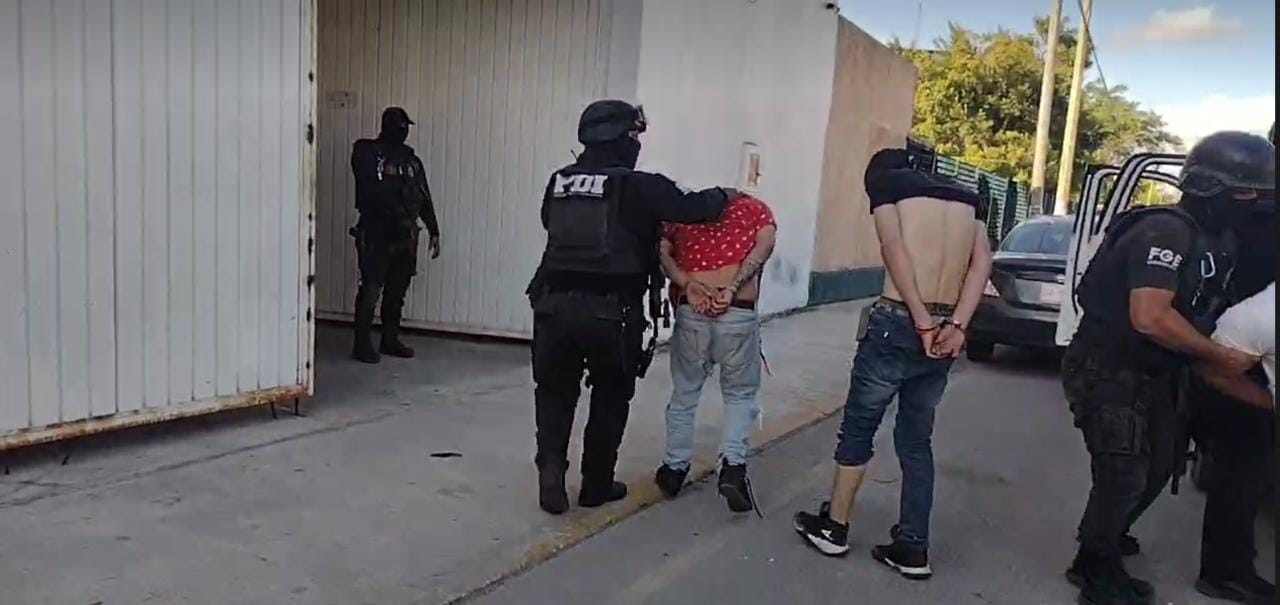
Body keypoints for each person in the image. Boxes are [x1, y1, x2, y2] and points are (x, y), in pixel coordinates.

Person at [1059, 131, 1272, 605]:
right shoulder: (1164, 230)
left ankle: (1107, 533)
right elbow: (1149, 317)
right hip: (1109, 367)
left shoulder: (1216, 237)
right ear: (1213, 189)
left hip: (1157, 371)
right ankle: (1093, 568)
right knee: (1123, 473)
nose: (1255, 203)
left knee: (1159, 465)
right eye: (1247, 193)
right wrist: (1219, 356)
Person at [527, 100, 738, 515]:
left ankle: (551, 478)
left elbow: (549, 223)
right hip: (613, 312)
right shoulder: (640, 186)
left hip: (552, 307)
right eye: (634, 136)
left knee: (553, 394)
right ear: (621, 138)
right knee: (610, 396)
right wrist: (727, 194)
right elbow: (696, 208)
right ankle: (595, 484)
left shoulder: (560, 181)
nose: (636, 144)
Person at [793, 148, 993, 580]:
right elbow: (982, 263)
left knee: (859, 428)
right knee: (916, 440)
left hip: (899, 322)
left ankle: (834, 527)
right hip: (947, 325)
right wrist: (957, 325)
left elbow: (893, 248)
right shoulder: (967, 198)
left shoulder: (886, 186)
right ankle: (913, 547)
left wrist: (920, 320)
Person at [653, 194, 777, 514]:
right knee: (739, 395)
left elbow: (663, 253)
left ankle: (674, 469)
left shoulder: (683, 212)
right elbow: (765, 246)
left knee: (684, 392)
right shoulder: (755, 209)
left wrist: (687, 284)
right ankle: (732, 468)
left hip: (692, 310)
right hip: (738, 312)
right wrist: (732, 288)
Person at [349, 107, 442, 364]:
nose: (403, 132)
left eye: (405, 128)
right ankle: (361, 344)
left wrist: (433, 229)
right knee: (371, 289)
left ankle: (389, 340)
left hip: (404, 234)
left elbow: (422, 194)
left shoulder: (411, 161)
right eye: (400, 127)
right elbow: (371, 191)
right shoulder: (369, 154)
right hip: (377, 232)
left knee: (396, 292)